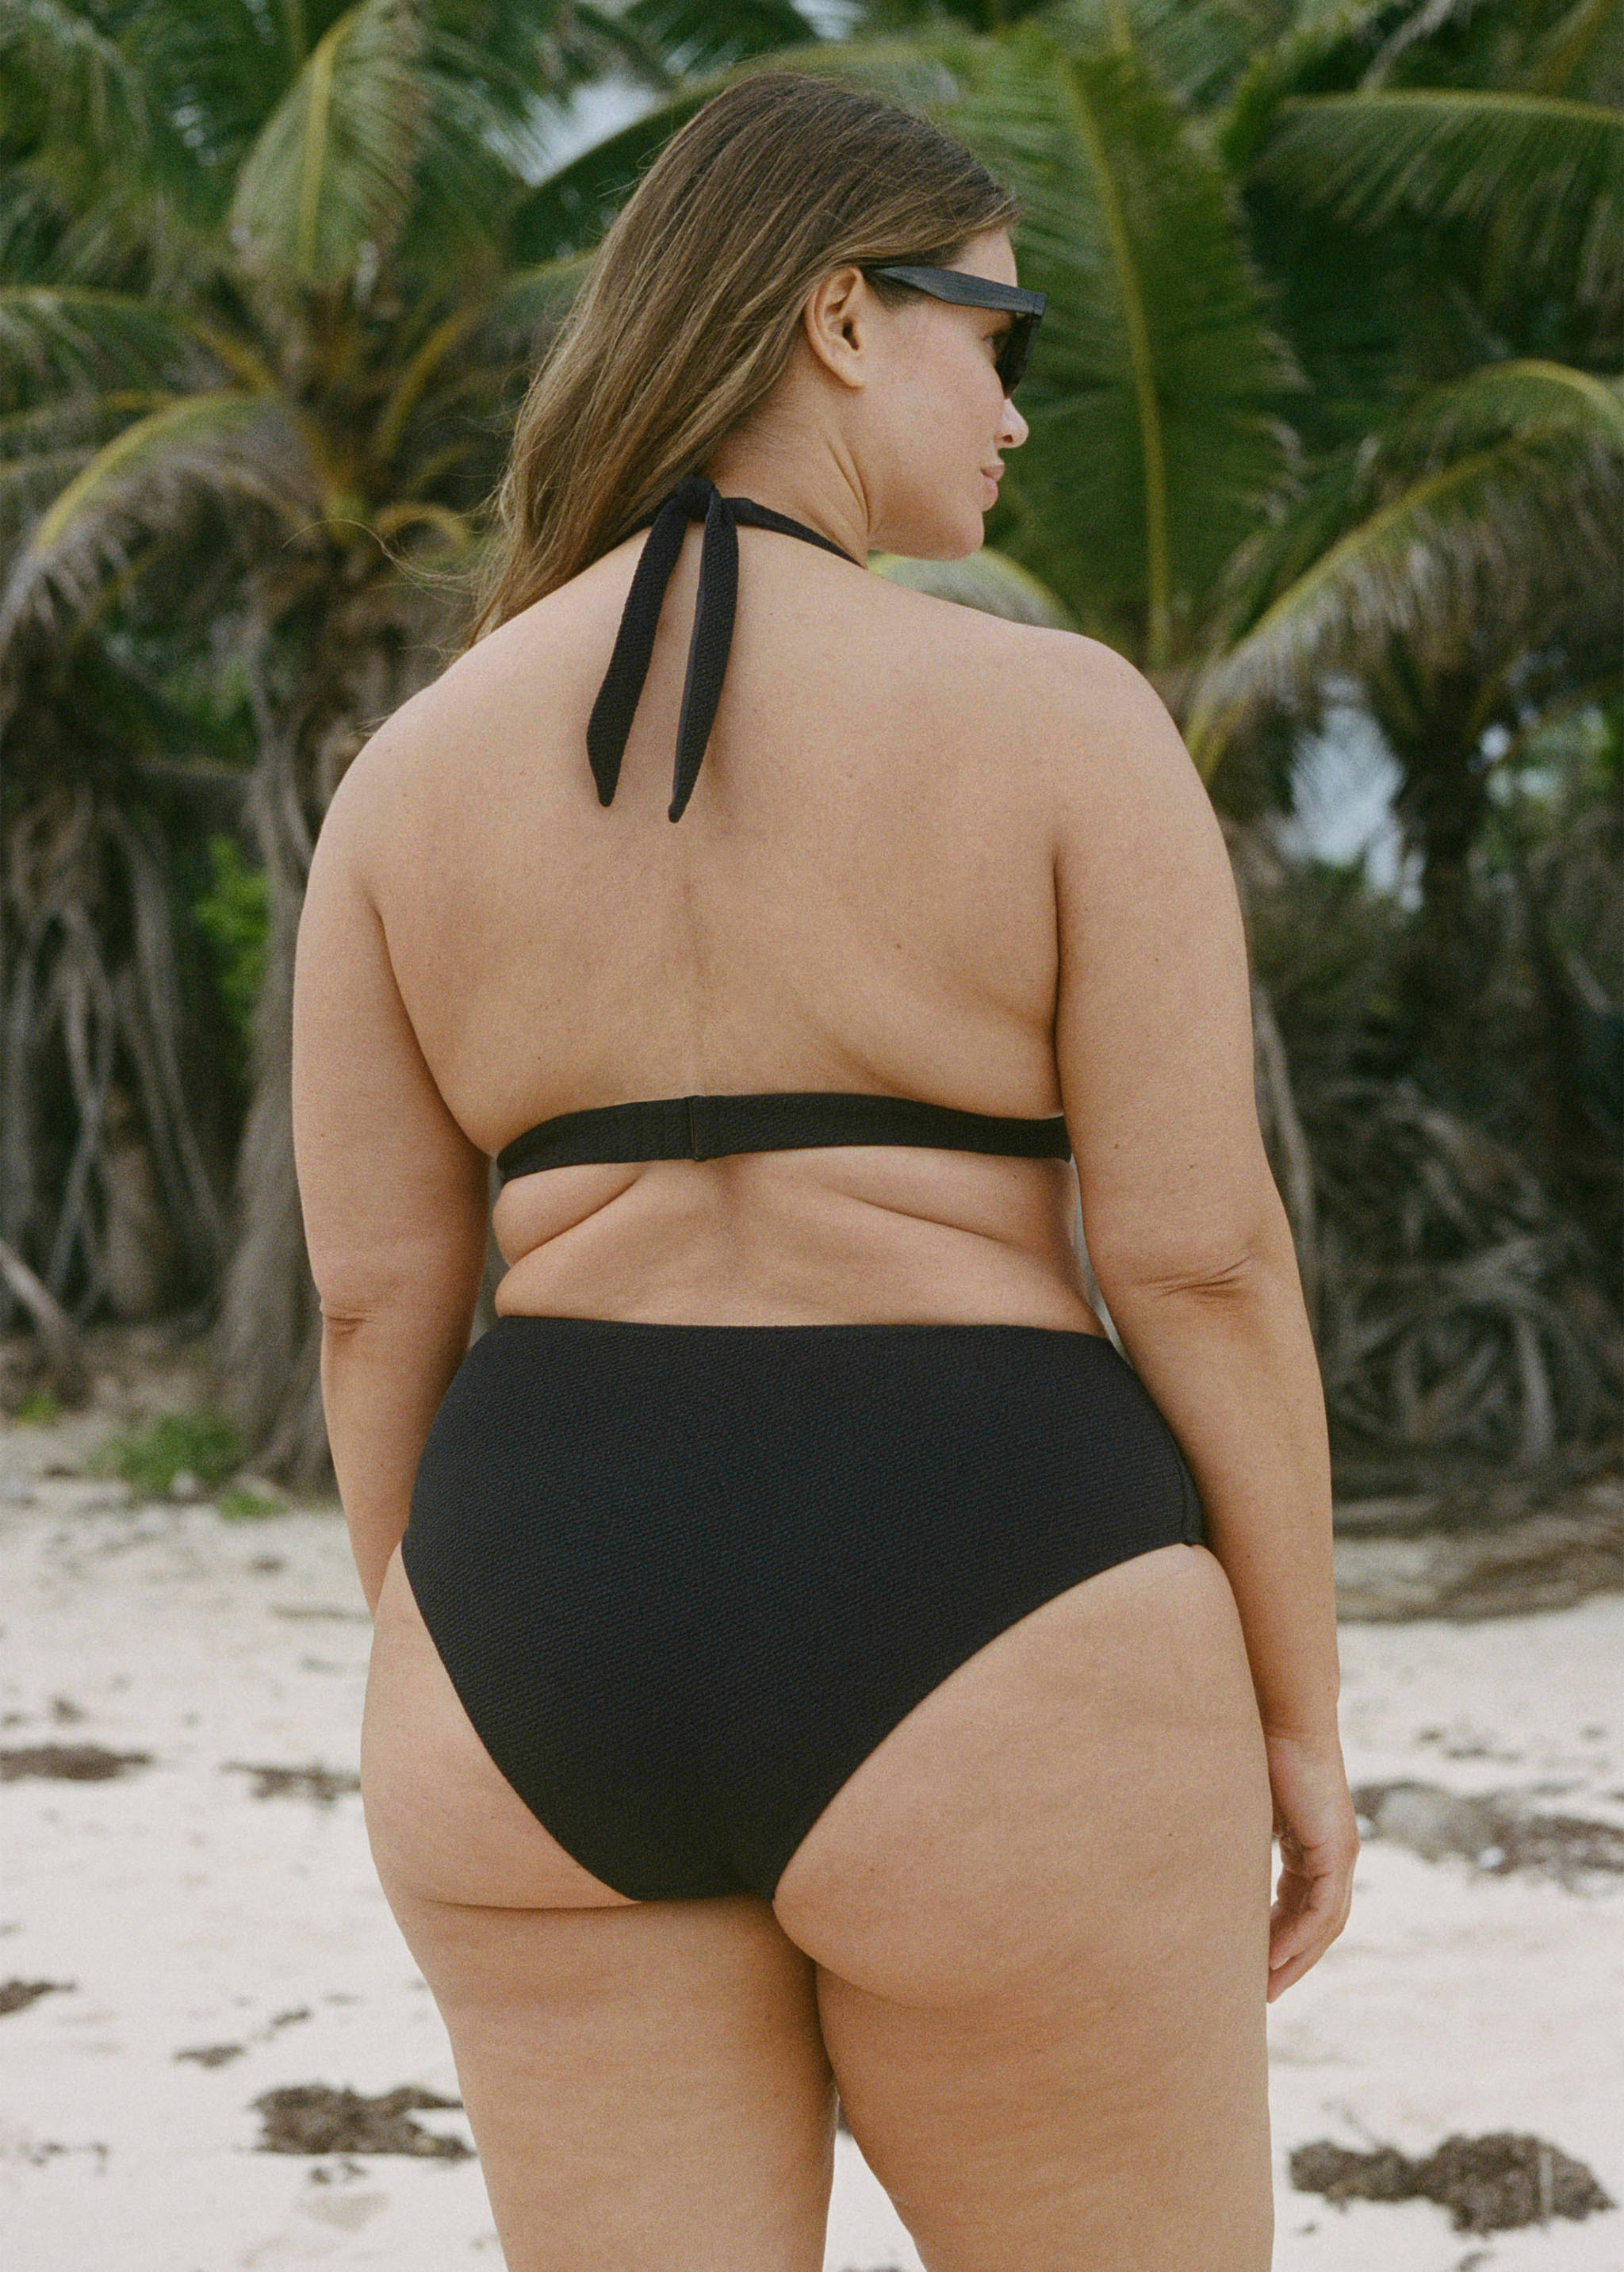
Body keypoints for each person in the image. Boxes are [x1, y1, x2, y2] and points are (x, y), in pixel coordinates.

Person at [291, 65, 1358, 2272]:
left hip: (533, 1605)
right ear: (844, 317)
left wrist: (453, 1629)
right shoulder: (1063, 725)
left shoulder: (409, 776)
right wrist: (1299, 1710)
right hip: (998, 1586)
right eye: (1003, 335)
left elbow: (378, 1301)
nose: (1023, 412)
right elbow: (1201, 1259)